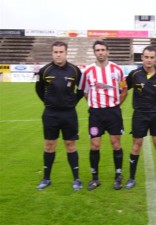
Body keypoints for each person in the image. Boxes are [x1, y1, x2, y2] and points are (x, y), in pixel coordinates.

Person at [79, 40, 127, 191]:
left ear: (108, 52)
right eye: (97, 50)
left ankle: (118, 176)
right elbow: (85, 92)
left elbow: (124, 90)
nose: (100, 52)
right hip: (96, 114)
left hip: (113, 112)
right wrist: (94, 105)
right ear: (94, 52)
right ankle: (95, 178)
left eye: (103, 50)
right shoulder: (88, 71)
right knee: (95, 145)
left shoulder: (117, 70)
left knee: (115, 143)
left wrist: (116, 104)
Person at [35, 41, 84, 190]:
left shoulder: (75, 71)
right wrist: (49, 102)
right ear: (52, 53)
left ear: (66, 52)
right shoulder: (45, 70)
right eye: (56, 52)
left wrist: (72, 102)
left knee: (70, 145)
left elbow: (81, 90)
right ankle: (46, 178)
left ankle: (76, 179)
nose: (58, 55)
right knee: (49, 145)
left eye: (61, 52)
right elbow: (39, 90)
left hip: (69, 114)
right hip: (51, 114)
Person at [124, 45, 156, 189]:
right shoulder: (134, 74)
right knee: (136, 145)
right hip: (139, 115)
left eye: (152, 57)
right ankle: (131, 178)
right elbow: (122, 88)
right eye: (146, 57)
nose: (149, 60)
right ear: (142, 58)